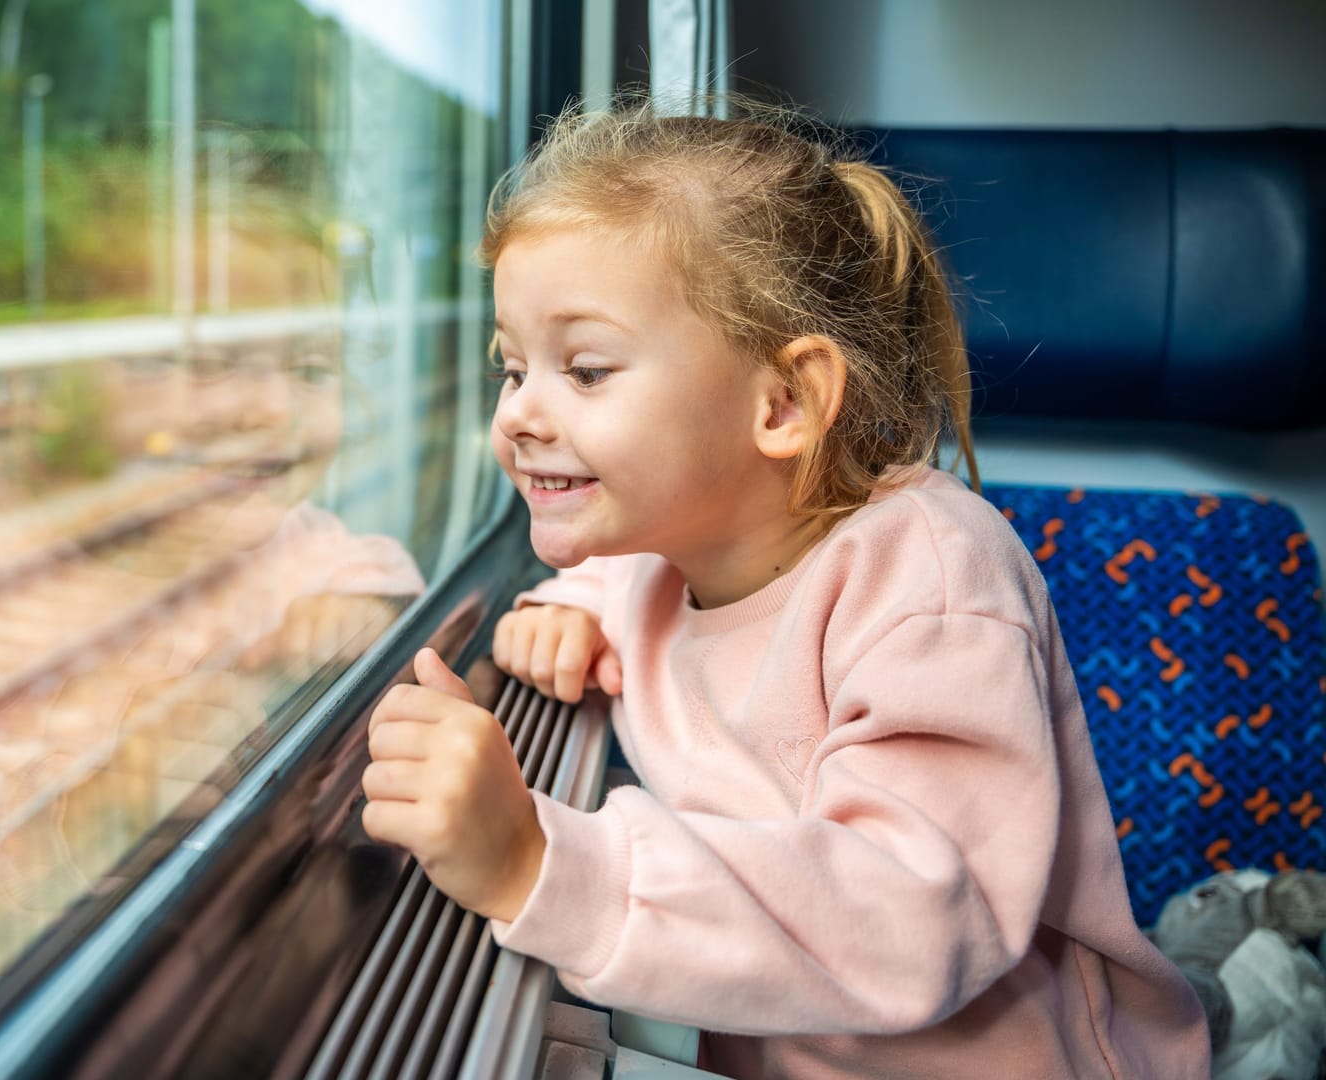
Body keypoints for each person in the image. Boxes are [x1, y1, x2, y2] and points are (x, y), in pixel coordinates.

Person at [359, 102, 1210, 1078]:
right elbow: (625, 576)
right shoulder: (665, 548)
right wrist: (570, 606)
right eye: (513, 369)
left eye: (584, 370)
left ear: (784, 402)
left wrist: (542, 865)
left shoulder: (930, 578)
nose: (516, 415)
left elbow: (912, 916)